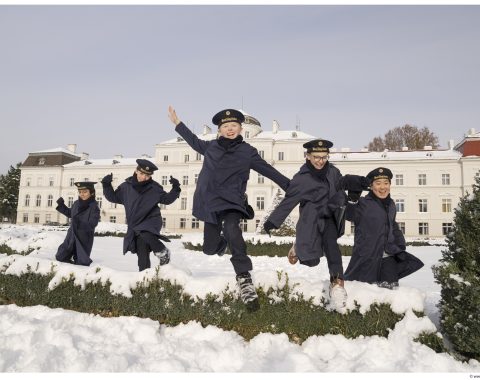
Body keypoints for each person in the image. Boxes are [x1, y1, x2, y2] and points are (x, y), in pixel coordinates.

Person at [168, 106, 290, 311]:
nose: (230, 129)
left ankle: (244, 278)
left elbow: (268, 171)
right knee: (209, 248)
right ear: (219, 130)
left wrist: (290, 186)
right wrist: (178, 124)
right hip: (210, 203)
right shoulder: (210, 147)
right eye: (225, 126)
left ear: (240, 128)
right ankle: (222, 243)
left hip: (232, 202)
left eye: (234, 125)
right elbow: (193, 141)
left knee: (233, 230)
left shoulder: (248, 152)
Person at [263, 139, 366, 312]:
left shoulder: (333, 172)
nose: (320, 161)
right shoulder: (301, 178)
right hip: (310, 220)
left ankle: (337, 283)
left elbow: (342, 183)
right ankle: (297, 246)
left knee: (332, 246)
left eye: (324, 157)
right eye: (316, 157)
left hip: (330, 217)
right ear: (308, 156)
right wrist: (272, 222)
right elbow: (289, 201)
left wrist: (358, 183)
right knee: (311, 261)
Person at [344, 167, 424, 288]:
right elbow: (350, 216)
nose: (383, 187)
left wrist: (400, 244)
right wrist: (352, 202)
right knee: (366, 291)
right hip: (368, 256)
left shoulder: (391, 204)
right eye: (378, 183)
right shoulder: (363, 203)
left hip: (389, 256)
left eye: (386, 183)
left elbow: (393, 225)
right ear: (371, 186)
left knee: (389, 289)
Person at [101, 159, 181, 271]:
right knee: (142, 253)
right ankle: (144, 276)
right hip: (135, 224)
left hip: (151, 220)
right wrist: (106, 185)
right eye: (142, 173)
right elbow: (113, 197)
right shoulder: (125, 187)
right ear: (136, 171)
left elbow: (167, 200)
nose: (143, 177)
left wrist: (176, 188)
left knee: (145, 233)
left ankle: (163, 252)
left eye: (147, 175)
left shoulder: (155, 188)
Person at [55, 181, 100, 266]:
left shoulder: (94, 207)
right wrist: (61, 205)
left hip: (83, 238)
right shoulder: (76, 203)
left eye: (85, 192)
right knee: (61, 256)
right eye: (80, 192)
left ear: (92, 192)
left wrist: (80, 224)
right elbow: (70, 213)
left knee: (81, 262)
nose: (82, 194)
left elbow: (93, 223)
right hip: (71, 235)